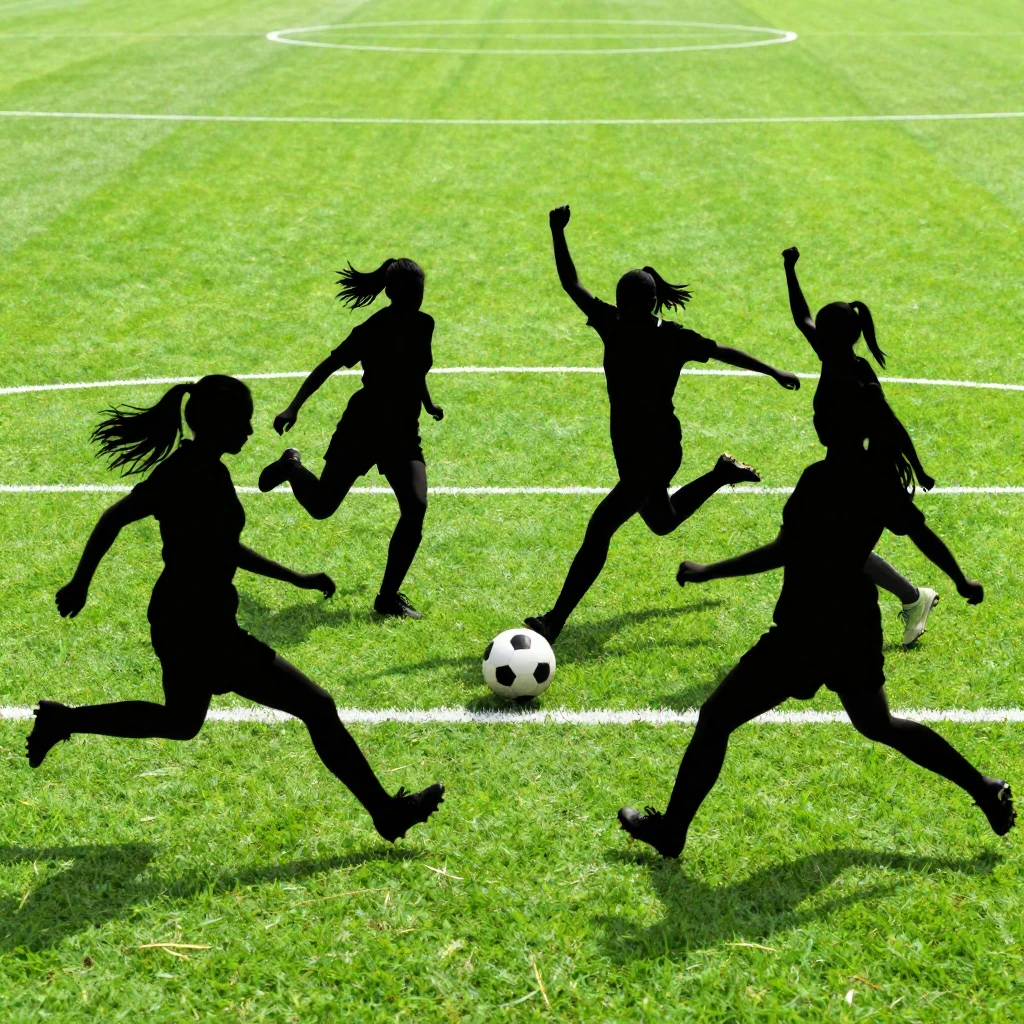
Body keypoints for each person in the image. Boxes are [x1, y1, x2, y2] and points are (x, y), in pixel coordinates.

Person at [26, 376, 444, 843]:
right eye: (243, 422)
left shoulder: (211, 469)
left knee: (181, 722)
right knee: (317, 706)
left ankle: (63, 720)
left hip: (187, 619)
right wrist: (80, 583)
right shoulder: (183, 473)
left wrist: (296, 577)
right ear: (217, 425)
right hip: (197, 628)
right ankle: (386, 813)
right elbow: (114, 517)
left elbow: (223, 546)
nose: (249, 430)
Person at [619, 396, 1014, 859]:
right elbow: (920, 532)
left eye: (819, 413)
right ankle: (983, 786)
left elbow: (782, 551)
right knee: (879, 724)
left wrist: (709, 571)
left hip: (805, 630)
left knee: (715, 718)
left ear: (829, 426)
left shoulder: (818, 479)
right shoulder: (879, 477)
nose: (815, 418)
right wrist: (959, 578)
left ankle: (672, 832)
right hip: (855, 626)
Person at [524, 206, 801, 643]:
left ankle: (553, 621)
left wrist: (558, 231)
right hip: (633, 448)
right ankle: (721, 474)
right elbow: (571, 284)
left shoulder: (624, 326)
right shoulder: (645, 330)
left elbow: (571, 283)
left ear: (626, 303)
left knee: (600, 528)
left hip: (655, 453)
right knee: (662, 521)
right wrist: (772, 370)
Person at [259, 259, 443, 620]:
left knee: (416, 506)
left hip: (402, 433)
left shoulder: (425, 324)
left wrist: (428, 403)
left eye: (421, 291)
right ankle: (291, 466)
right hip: (363, 428)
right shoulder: (372, 329)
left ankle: (387, 598)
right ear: (392, 293)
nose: (418, 298)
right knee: (321, 507)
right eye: (412, 292)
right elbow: (327, 366)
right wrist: (293, 407)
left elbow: (415, 368)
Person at [783, 245, 938, 646]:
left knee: (828, 544)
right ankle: (911, 597)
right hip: (842, 469)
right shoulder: (834, 355)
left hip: (855, 473)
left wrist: (918, 468)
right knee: (832, 545)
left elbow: (890, 423)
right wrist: (789, 270)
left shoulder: (854, 375)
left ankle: (906, 599)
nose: (814, 330)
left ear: (832, 336)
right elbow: (801, 318)